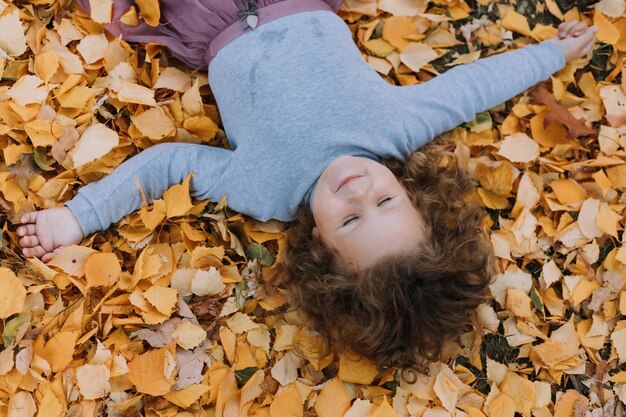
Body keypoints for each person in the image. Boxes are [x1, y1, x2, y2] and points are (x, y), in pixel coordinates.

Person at [17, 0, 597, 376]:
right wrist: (552, 53)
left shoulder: (264, 188)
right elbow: (473, 87)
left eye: (349, 221)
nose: (357, 191)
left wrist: (79, 215)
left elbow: (169, 164)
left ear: (321, 249)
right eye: (385, 201)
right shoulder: (398, 127)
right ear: (414, 194)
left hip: (209, 14)